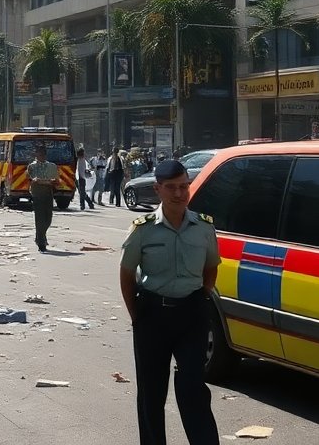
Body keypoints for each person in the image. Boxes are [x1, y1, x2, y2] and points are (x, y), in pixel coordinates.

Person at [119, 160, 221, 445]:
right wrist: (137, 316)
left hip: (192, 314)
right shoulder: (143, 229)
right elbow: (127, 273)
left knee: (193, 387)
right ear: (158, 189)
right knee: (151, 393)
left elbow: (211, 267)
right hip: (152, 316)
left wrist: (199, 297)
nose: (179, 193)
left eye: (184, 186)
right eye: (172, 188)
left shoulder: (203, 226)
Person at [27, 143, 60, 252]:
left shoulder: (52, 166)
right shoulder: (32, 166)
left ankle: (39, 236)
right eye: (39, 154)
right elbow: (31, 179)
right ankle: (41, 243)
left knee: (48, 219)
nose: (41, 156)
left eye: (43, 154)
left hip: (48, 194)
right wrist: (38, 181)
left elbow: (57, 181)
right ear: (36, 155)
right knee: (40, 219)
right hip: (37, 195)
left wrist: (51, 182)